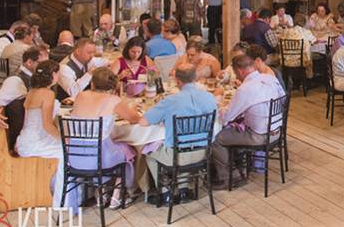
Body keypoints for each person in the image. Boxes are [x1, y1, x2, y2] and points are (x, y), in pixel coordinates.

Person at [139, 61, 218, 201]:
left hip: (177, 156)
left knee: (148, 152)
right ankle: (184, 190)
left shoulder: (171, 101)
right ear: (195, 78)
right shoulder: (209, 97)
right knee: (184, 146)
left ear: (177, 80)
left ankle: (165, 193)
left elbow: (143, 122)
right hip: (203, 153)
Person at [210, 54, 285, 187]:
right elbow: (283, 99)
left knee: (216, 138)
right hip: (277, 131)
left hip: (260, 136)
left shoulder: (245, 89)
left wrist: (218, 103)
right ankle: (239, 164)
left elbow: (227, 117)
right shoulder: (270, 79)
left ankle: (230, 177)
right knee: (237, 127)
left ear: (239, 71)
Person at [69, 67, 139, 207]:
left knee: (113, 146)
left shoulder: (80, 96)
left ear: (93, 83)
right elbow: (134, 118)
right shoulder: (113, 100)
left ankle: (101, 192)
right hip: (100, 158)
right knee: (128, 150)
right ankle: (116, 196)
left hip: (74, 156)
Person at [16, 60, 77, 210]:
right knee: (67, 153)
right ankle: (61, 201)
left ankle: (58, 191)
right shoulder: (48, 94)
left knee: (67, 150)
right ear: (53, 75)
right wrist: (64, 140)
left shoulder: (32, 91)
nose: (59, 76)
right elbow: (47, 125)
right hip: (34, 143)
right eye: (58, 74)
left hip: (25, 140)